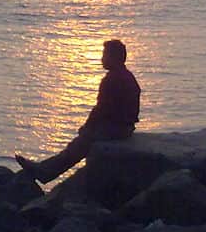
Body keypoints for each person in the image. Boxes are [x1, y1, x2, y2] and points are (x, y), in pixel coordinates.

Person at [15, 39, 141, 183]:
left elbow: (100, 109)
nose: (102, 59)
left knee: (80, 143)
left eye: (105, 55)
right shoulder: (127, 76)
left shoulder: (112, 80)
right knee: (82, 140)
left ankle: (45, 171)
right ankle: (46, 169)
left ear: (114, 57)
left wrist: (87, 127)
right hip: (125, 127)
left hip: (117, 129)